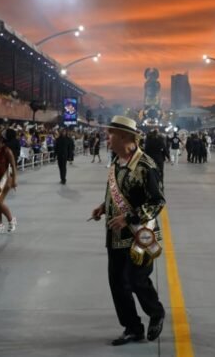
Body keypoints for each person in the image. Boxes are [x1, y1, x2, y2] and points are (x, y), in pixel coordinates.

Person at [89, 116, 166, 346]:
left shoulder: (146, 166)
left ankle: (156, 312)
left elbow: (158, 202)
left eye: (111, 133)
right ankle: (132, 327)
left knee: (136, 279)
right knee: (117, 284)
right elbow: (115, 192)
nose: (107, 137)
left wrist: (130, 217)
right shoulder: (115, 161)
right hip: (115, 235)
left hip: (139, 235)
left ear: (125, 137)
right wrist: (103, 207)